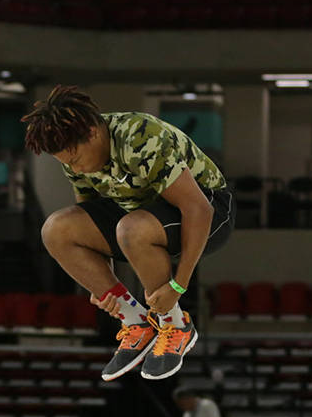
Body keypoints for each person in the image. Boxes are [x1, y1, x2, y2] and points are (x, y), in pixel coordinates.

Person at [23, 86, 235, 382]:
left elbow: (199, 210)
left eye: (75, 159)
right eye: (66, 163)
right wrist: (104, 286)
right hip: (137, 215)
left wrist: (179, 284)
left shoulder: (140, 137)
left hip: (207, 212)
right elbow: (89, 214)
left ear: (94, 134)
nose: (74, 167)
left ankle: (175, 324)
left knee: (131, 228)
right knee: (56, 229)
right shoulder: (76, 155)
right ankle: (135, 321)